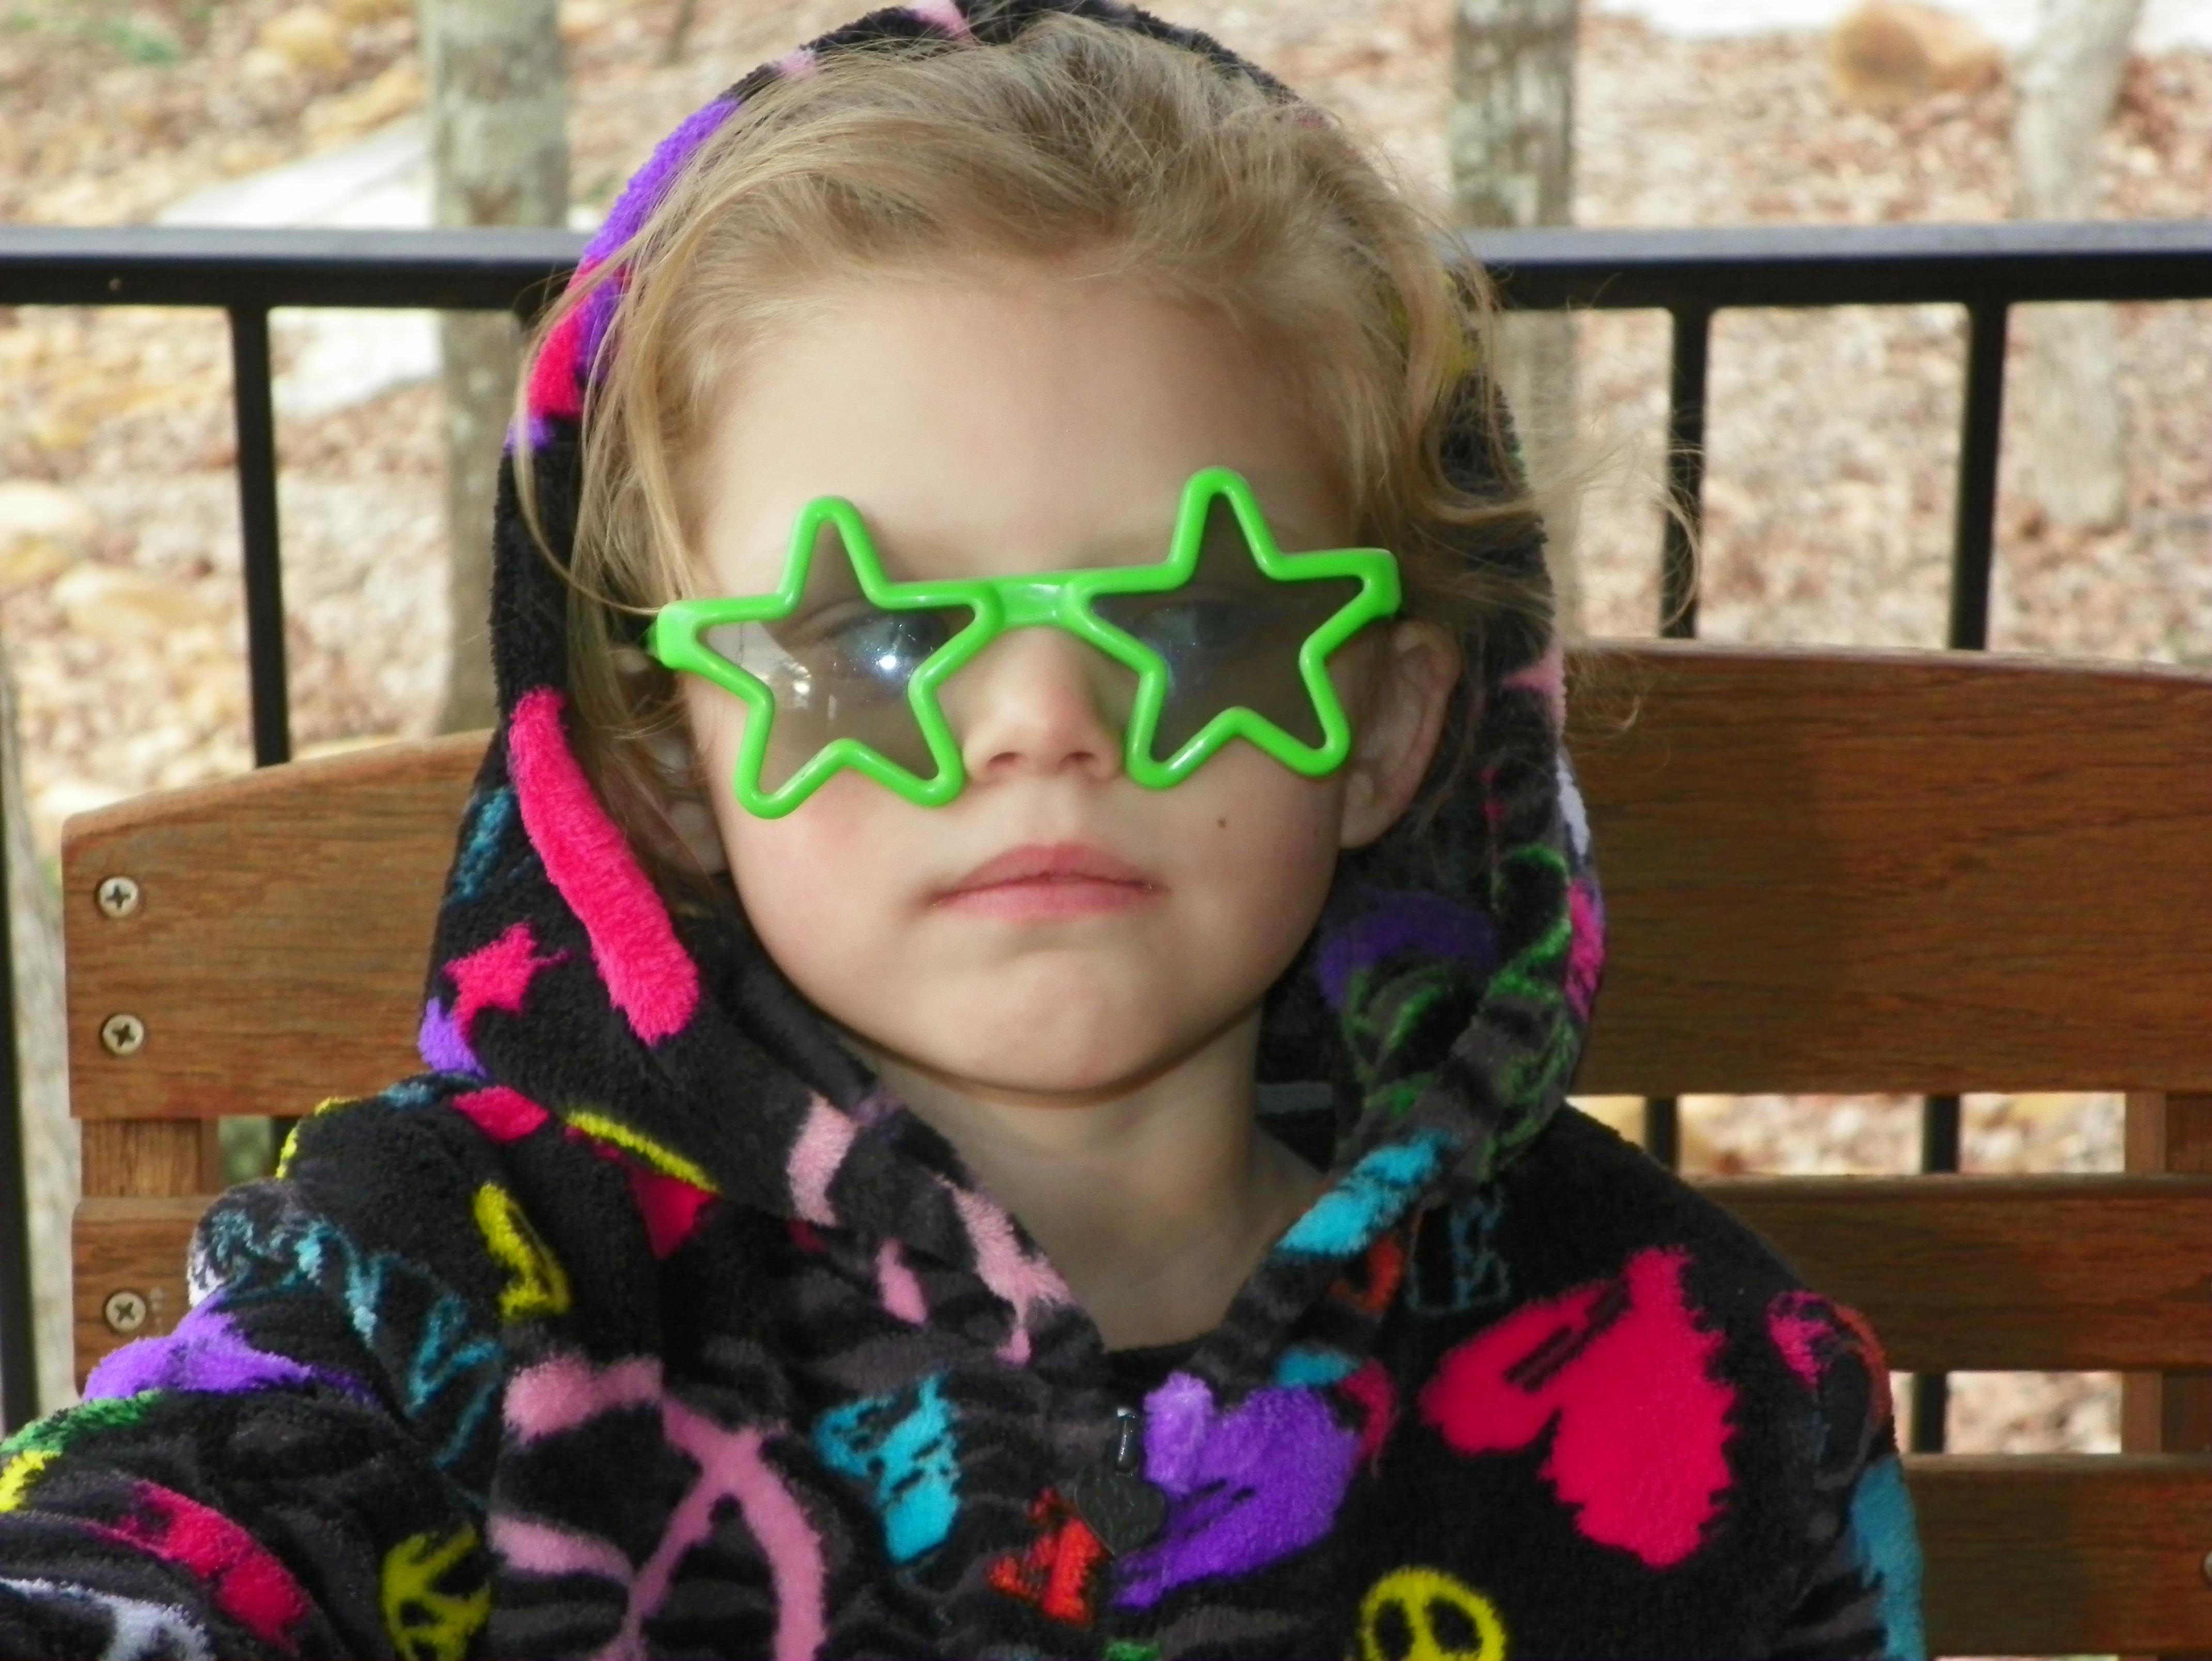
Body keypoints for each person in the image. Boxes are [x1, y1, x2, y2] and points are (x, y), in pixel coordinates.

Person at [0, 4, 1926, 1656]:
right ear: (669, 760)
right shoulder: (441, 1289)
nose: (1039, 722)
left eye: (1193, 616)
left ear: (1387, 723)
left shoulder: (1716, 1395)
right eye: (877, 635)